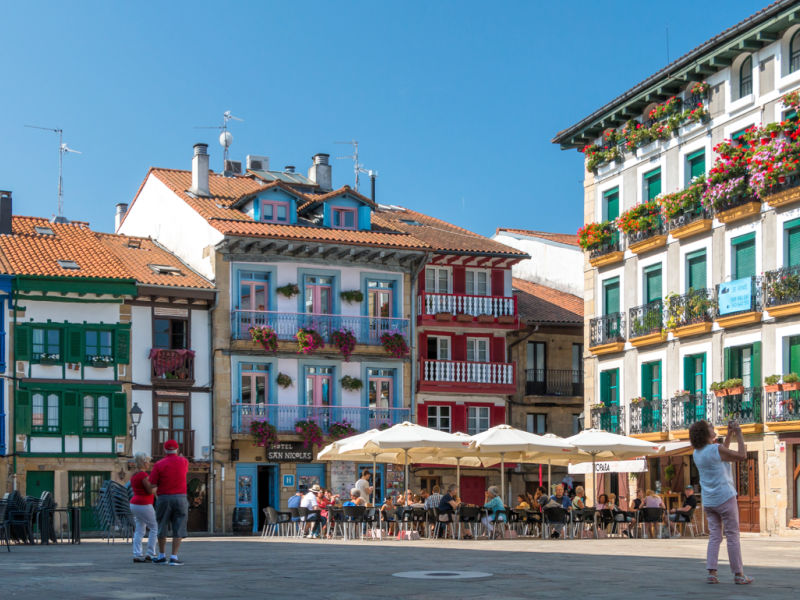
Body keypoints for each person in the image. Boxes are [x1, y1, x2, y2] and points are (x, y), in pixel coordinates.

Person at [690, 419, 752, 585]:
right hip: (725, 496)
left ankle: (712, 572)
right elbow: (741, 455)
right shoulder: (715, 449)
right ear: (706, 433)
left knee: (715, 536)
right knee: (732, 535)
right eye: (710, 427)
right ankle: (738, 574)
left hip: (709, 500)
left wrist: (729, 434)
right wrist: (739, 433)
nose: (713, 427)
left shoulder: (697, 453)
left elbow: (721, 455)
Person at [149, 439, 189, 566]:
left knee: (162, 525)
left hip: (164, 497)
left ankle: (161, 555)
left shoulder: (159, 464)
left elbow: (152, 483)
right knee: (179, 526)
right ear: (177, 449)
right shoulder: (184, 461)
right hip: (181, 497)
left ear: (164, 450)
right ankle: (174, 556)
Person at [129, 452, 158, 563]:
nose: (149, 464)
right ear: (143, 462)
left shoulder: (134, 475)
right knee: (154, 527)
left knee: (139, 529)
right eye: (148, 461)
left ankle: (137, 554)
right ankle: (150, 553)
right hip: (144, 504)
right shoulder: (143, 475)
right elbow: (149, 490)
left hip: (134, 503)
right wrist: (156, 486)